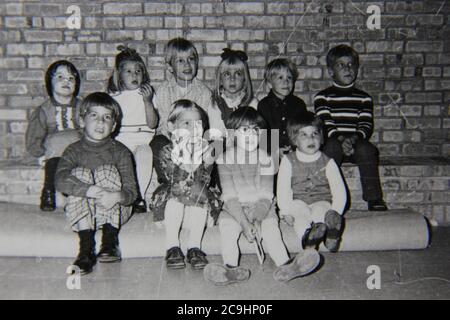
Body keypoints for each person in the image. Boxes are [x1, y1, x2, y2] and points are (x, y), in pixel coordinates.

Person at [204, 107, 321, 285]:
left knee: (271, 230)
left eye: (255, 130)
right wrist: (244, 222)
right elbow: (229, 196)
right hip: (234, 209)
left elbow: (267, 194)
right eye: (244, 130)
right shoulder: (224, 159)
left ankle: (287, 265)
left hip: (262, 208)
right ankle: (230, 268)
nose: (251, 134)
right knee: (228, 230)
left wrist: (257, 219)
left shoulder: (266, 158)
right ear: (233, 134)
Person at [55, 92, 138, 275]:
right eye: (94, 115)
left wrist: (117, 196)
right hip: (84, 211)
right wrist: (88, 190)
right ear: (82, 120)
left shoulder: (121, 152)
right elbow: (60, 179)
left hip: (116, 210)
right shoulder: (73, 150)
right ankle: (86, 249)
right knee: (79, 173)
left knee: (106, 171)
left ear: (114, 125)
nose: (101, 122)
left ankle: (110, 242)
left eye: (107, 117)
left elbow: (132, 192)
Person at [150, 100, 222, 270]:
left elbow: (205, 179)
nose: (193, 129)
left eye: (198, 124)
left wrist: (207, 159)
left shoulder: (205, 149)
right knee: (177, 198)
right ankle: (172, 246)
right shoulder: (167, 150)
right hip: (172, 202)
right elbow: (172, 179)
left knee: (199, 193)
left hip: (197, 204)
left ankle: (194, 247)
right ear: (171, 127)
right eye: (186, 124)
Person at [314, 44, 387, 211]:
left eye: (351, 64)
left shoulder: (364, 98)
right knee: (329, 149)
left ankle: (374, 198)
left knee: (368, 150)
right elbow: (325, 123)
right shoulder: (323, 96)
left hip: (356, 141)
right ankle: (326, 196)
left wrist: (353, 139)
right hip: (334, 140)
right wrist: (341, 140)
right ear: (331, 71)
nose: (348, 69)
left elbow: (366, 125)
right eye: (341, 65)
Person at [277, 112, 347, 252]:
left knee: (320, 212)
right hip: (297, 201)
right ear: (294, 139)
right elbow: (283, 188)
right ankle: (308, 239)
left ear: (321, 138)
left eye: (315, 134)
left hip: (322, 200)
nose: (311, 139)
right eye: (304, 135)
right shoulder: (288, 160)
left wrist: (335, 211)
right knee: (300, 216)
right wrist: (285, 211)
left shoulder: (328, 162)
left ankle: (331, 233)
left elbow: (339, 190)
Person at [25, 60, 82, 211]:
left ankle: (73, 196)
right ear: (49, 82)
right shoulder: (44, 110)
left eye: (71, 78)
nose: (66, 81)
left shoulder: (82, 107)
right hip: (54, 154)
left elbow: (89, 128)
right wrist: (39, 153)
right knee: (55, 143)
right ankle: (48, 191)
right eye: (60, 77)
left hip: (76, 152)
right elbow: (35, 134)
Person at [108, 45, 158, 213]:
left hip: (143, 139)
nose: (134, 75)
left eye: (138, 71)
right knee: (121, 159)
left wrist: (147, 102)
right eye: (128, 71)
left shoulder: (148, 94)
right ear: (119, 75)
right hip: (122, 140)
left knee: (145, 154)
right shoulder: (113, 97)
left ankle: (139, 197)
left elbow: (152, 124)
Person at [153, 38, 212, 137]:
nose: (187, 64)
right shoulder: (163, 91)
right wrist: (172, 142)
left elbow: (203, 124)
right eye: (180, 60)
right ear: (170, 67)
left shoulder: (204, 92)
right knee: (156, 146)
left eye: (191, 59)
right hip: (166, 136)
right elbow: (164, 123)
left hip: (194, 136)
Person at [257, 58, 307, 155]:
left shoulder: (299, 104)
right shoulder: (264, 105)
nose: (286, 82)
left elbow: (303, 130)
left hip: (295, 152)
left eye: (289, 78)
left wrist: (295, 148)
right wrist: (274, 150)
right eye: (280, 78)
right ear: (269, 83)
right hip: (272, 154)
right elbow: (262, 135)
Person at [208, 48, 258, 140]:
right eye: (227, 74)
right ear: (221, 80)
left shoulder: (252, 102)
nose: (232, 79)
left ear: (244, 79)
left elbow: (255, 131)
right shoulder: (215, 103)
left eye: (238, 74)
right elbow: (216, 133)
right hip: (222, 147)